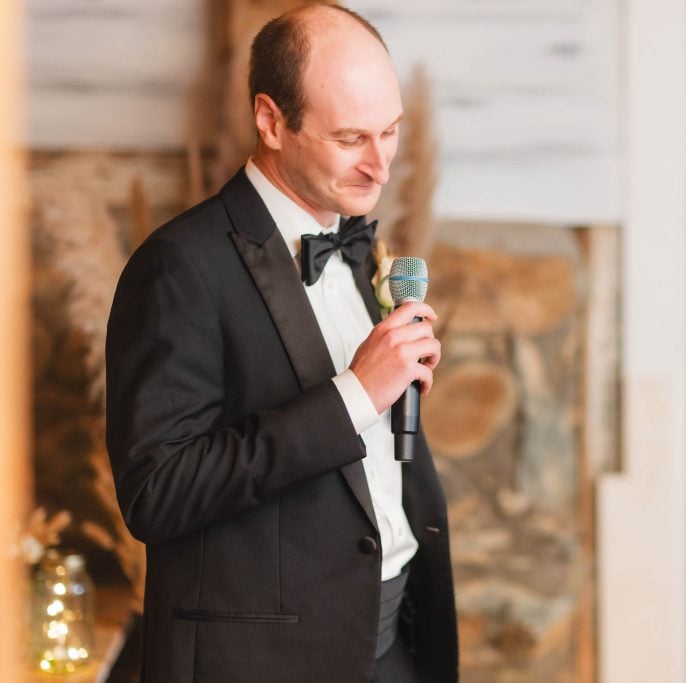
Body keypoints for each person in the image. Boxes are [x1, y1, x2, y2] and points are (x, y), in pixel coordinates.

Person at [104, 5, 458, 681]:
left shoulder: (358, 243)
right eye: (351, 137)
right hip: (270, 660)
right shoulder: (179, 266)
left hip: (396, 642)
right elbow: (157, 491)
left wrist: (391, 380)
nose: (380, 166)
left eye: (391, 131)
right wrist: (356, 394)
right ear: (271, 121)